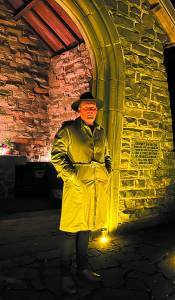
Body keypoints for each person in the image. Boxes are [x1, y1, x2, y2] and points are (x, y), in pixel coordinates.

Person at [51, 91, 112, 294]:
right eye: (86, 107)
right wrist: (73, 178)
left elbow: (108, 156)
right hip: (76, 188)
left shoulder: (101, 132)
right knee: (70, 231)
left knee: (86, 228)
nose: (90, 110)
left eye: (93, 107)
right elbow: (57, 157)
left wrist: (107, 172)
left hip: (96, 188)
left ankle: (83, 268)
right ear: (78, 109)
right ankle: (64, 274)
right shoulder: (68, 131)